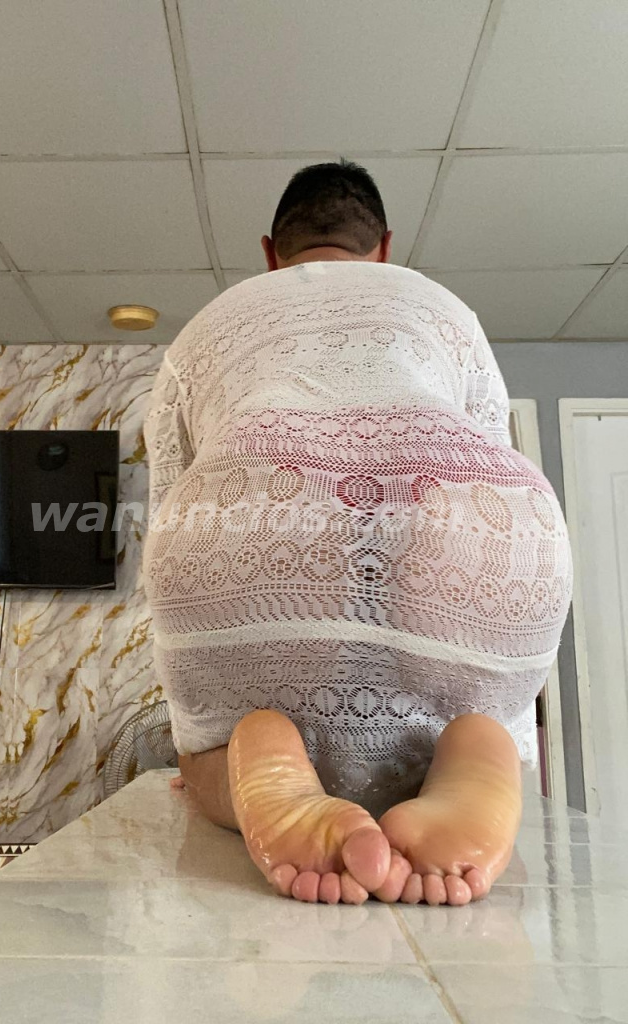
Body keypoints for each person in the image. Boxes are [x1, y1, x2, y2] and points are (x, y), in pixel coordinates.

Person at [143, 161, 572, 906]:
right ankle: (478, 746)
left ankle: (248, 757)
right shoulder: (444, 310)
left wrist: (198, 733)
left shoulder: (207, 327)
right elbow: (486, 443)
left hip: (254, 502)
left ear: (271, 252)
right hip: (480, 524)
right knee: (460, 709)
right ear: (384, 249)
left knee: (207, 751)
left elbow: (169, 493)